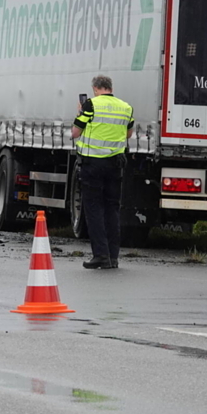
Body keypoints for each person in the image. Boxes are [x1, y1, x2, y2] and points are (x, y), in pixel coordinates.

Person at [71, 75, 134, 269]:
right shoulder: (126, 107)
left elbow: (75, 132)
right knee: (112, 209)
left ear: (96, 88)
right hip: (115, 164)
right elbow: (128, 133)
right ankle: (113, 257)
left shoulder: (91, 105)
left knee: (94, 209)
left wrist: (81, 113)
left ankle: (100, 255)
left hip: (93, 165)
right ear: (110, 87)